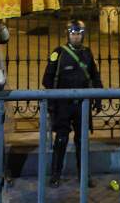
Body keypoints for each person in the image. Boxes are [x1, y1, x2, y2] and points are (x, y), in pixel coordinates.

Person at [41, 20, 103, 188]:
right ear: (68, 34)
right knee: (61, 140)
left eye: (79, 33)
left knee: (82, 141)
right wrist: (59, 95)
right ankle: (55, 175)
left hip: (82, 105)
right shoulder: (59, 53)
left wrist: (98, 97)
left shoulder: (87, 53)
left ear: (83, 35)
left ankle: (84, 175)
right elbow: (47, 78)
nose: (76, 36)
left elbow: (95, 76)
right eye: (73, 33)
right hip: (63, 105)